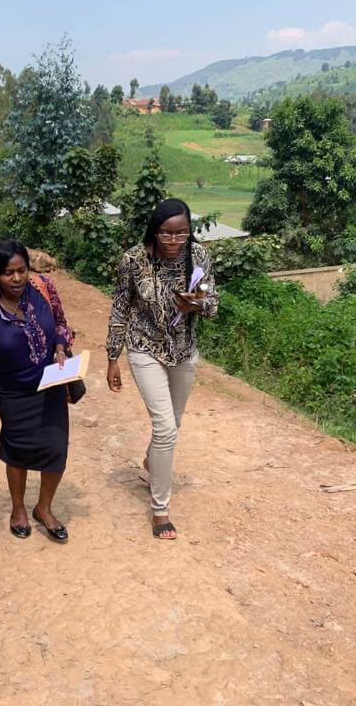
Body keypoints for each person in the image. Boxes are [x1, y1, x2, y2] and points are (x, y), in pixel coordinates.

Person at [105, 199, 218, 541]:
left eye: (181, 233)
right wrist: (113, 356)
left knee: (174, 423)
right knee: (165, 427)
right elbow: (121, 307)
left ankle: (152, 462)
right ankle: (160, 510)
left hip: (184, 351)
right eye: (166, 233)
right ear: (154, 230)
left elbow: (213, 304)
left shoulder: (199, 257)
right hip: (145, 348)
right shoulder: (133, 260)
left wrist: (196, 304)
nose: (174, 241)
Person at [0, 238, 74, 542]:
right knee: (18, 451)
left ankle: (44, 508)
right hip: (13, 393)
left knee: (56, 447)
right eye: (7, 273)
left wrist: (61, 347)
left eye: (21, 270)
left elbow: (62, 326)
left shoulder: (42, 288)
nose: (16, 279)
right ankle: (18, 509)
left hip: (50, 385)